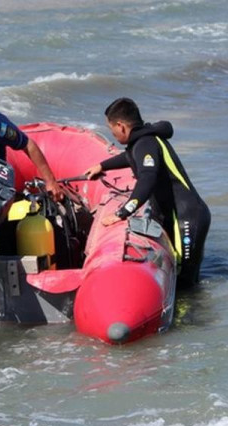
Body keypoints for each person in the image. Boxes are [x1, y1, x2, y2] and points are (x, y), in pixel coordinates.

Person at [84, 97, 211, 287]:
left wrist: (121, 213)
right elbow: (130, 157)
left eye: (112, 130)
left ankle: (191, 317)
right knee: (181, 279)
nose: (113, 135)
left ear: (121, 126)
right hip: (180, 215)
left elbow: (147, 179)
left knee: (186, 285)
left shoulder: (145, 143)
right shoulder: (142, 142)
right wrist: (102, 166)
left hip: (186, 218)